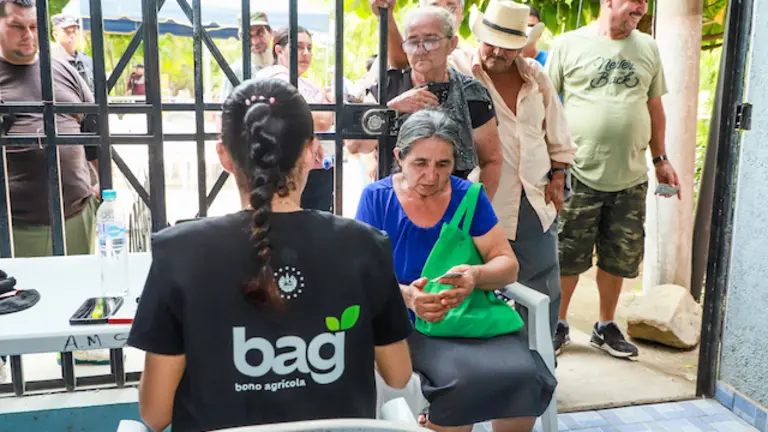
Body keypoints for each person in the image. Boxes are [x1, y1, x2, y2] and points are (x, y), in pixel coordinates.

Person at [128, 78, 414, 432]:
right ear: (312, 151)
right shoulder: (365, 245)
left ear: (225, 156)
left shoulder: (178, 253)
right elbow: (399, 375)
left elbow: (155, 415)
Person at [356, 110, 556, 432]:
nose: (432, 176)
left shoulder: (468, 197)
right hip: (407, 326)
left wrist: (475, 276)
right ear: (399, 157)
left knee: (525, 377)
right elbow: (361, 275)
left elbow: (507, 265)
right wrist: (407, 296)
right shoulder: (377, 200)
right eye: (420, 163)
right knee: (462, 382)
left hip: (472, 320)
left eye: (443, 165)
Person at [546, 0, 680, 358]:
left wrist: (661, 158)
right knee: (568, 254)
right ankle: (557, 324)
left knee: (618, 255)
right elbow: (546, 102)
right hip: (578, 171)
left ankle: (605, 326)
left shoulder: (648, 47)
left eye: (642, 7)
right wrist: (550, 164)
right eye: (632, 4)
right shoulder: (568, 43)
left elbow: (654, 107)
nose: (638, 10)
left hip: (631, 173)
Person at [0, 0, 104, 366]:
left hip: (74, 210)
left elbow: (93, 130)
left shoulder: (61, 69)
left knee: (76, 292)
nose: (29, 35)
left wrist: (103, 186)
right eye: (17, 26)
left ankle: (76, 351)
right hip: (14, 223)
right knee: (10, 305)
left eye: (33, 26)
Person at [464, 0, 576, 336]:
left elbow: (558, 134)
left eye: (508, 46)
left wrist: (558, 178)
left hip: (533, 196)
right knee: (476, 284)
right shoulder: (461, 72)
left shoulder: (535, 75)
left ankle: (541, 369)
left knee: (543, 287)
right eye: (491, 42)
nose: (498, 52)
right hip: (481, 198)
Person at [347, 7, 502, 199]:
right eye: (412, 42)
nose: (420, 50)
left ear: (452, 44)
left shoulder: (472, 93)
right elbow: (355, 146)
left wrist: (473, 212)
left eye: (431, 40)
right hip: (393, 203)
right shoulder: (389, 85)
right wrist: (393, 108)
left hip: (450, 206)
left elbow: (492, 160)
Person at [256, 26, 335, 212]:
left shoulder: (306, 84)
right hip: (290, 171)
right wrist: (327, 107)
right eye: (298, 47)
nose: (306, 53)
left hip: (315, 170)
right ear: (279, 50)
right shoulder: (275, 78)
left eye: (309, 48)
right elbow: (320, 120)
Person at [219, 11, 273, 102]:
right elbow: (223, 110)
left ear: (270, 33)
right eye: (249, 36)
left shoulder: (282, 65)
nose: (255, 42)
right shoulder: (237, 70)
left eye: (260, 33)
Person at [51, 13, 94, 92]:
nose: (72, 35)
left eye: (74, 31)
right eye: (67, 32)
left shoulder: (88, 62)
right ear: (55, 35)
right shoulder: (51, 62)